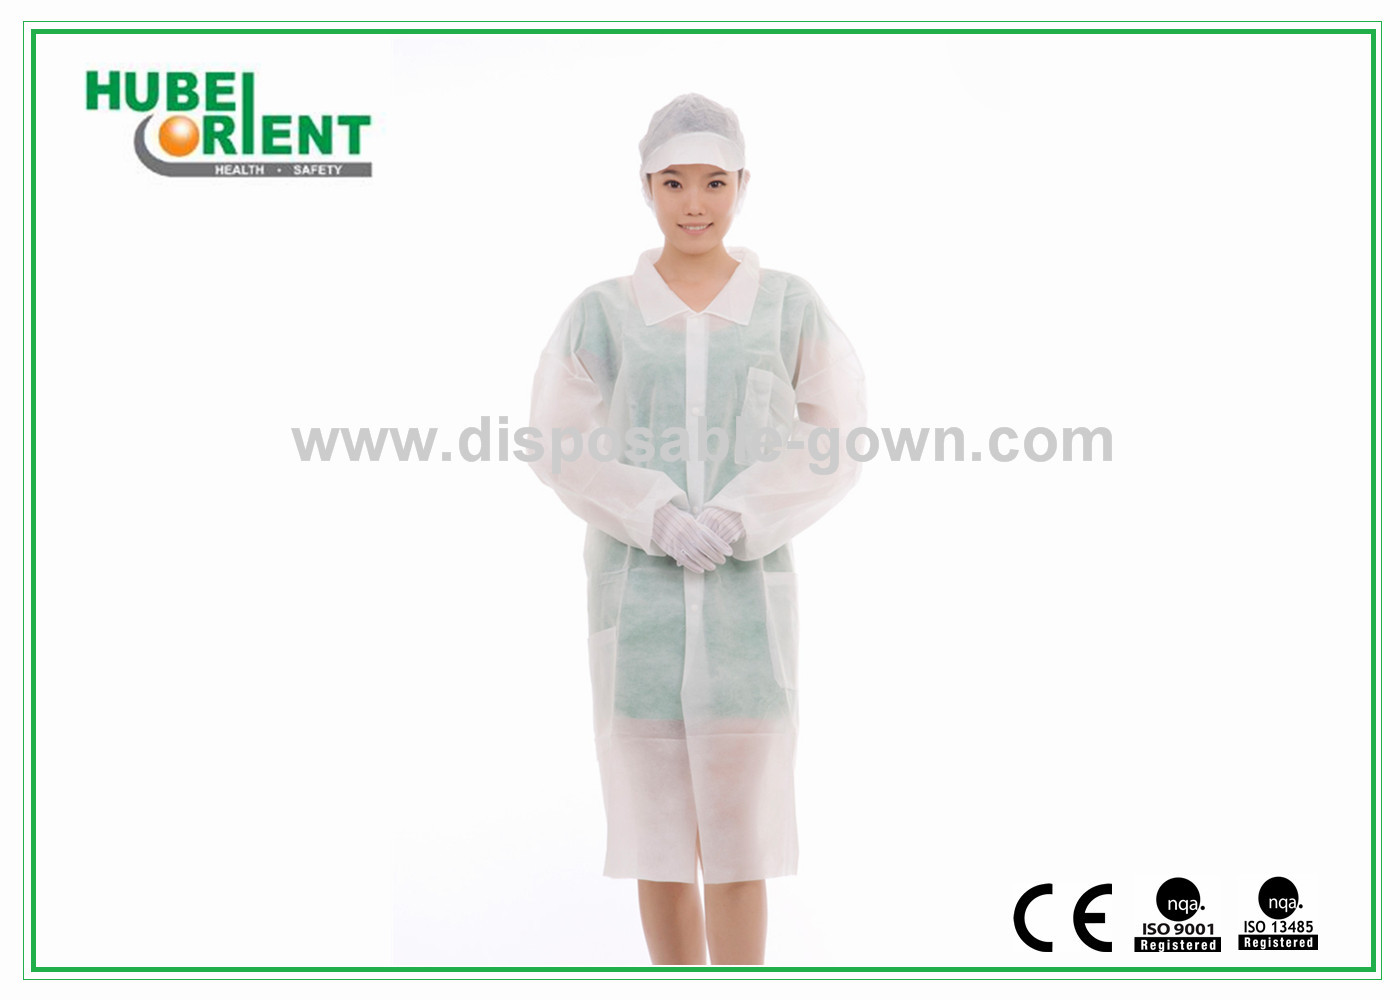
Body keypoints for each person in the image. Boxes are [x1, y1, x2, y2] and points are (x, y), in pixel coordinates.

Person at [528, 93, 867, 965]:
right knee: (660, 844)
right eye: (673, 182)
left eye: (714, 182)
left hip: (746, 616)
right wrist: (653, 512)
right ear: (644, 186)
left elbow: (836, 437)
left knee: (741, 842)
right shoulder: (603, 313)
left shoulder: (787, 306)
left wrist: (739, 512)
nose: (693, 203)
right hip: (637, 608)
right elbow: (557, 440)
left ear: (743, 184)